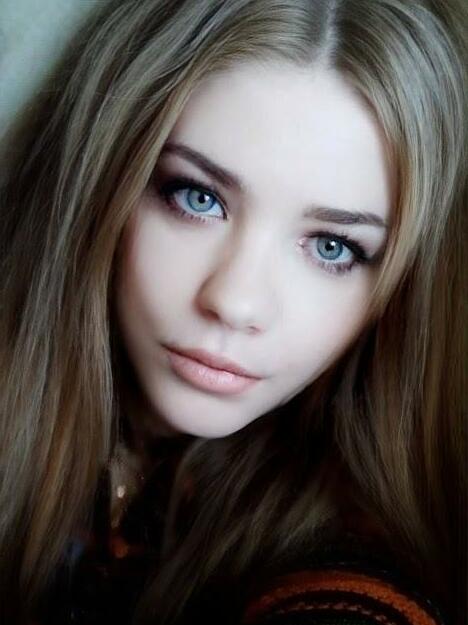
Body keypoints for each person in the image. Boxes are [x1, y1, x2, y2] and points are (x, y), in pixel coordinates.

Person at [0, 1, 466, 624]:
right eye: (197, 197)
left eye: (332, 247)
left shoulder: (356, 562)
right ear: (100, 177)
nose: (235, 302)